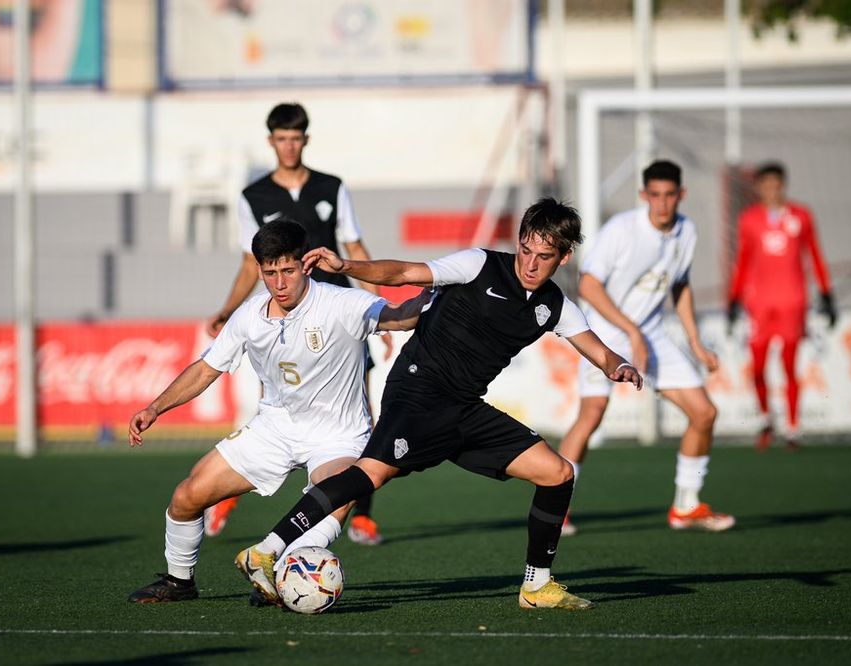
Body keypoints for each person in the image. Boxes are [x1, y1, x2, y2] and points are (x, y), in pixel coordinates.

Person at [233, 198, 643, 611]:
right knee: (370, 475)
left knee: (556, 474)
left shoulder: (554, 305)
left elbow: (599, 350)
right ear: (518, 242)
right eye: (526, 251)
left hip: (464, 407)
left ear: (564, 256)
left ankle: (536, 587)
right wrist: (346, 268)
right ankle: (267, 549)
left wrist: (619, 365)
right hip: (419, 389)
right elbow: (404, 272)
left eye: (544, 257)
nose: (530, 264)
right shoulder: (478, 264)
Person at [127, 221, 426, 603]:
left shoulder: (340, 303)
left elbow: (400, 317)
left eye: (287, 270)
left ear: (306, 266)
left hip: (337, 435)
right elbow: (206, 368)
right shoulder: (250, 316)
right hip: (274, 429)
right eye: (270, 273)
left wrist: (439, 297)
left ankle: (280, 569)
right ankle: (179, 582)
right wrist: (155, 408)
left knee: (338, 493)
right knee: (187, 497)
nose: (279, 282)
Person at [204, 102, 391, 545]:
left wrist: (377, 307)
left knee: (360, 411)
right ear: (271, 141)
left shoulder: (332, 187)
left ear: (306, 139)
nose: (289, 145)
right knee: (279, 410)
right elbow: (252, 264)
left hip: (340, 319)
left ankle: (361, 514)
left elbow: (355, 247)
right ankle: (232, 489)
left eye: (296, 137)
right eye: (281, 138)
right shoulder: (253, 198)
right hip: (284, 324)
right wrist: (228, 309)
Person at [558, 160, 735, 536]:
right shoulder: (622, 229)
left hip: (651, 332)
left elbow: (680, 287)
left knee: (704, 413)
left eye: (670, 195)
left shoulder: (686, 231)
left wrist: (696, 344)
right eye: (655, 195)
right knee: (593, 413)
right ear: (644, 195)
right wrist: (630, 332)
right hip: (603, 331)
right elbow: (588, 286)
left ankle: (686, 506)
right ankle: (556, 507)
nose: (662, 203)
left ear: (681, 195)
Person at [727, 162, 837, 450]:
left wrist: (827, 293)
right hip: (760, 304)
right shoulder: (750, 219)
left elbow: (815, 254)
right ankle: (765, 419)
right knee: (759, 366)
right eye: (766, 186)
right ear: (759, 188)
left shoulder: (801, 216)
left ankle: (792, 428)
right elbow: (742, 261)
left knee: (789, 364)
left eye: (776, 186)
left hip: (792, 300)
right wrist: (734, 298)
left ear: (783, 186)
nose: (772, 191)